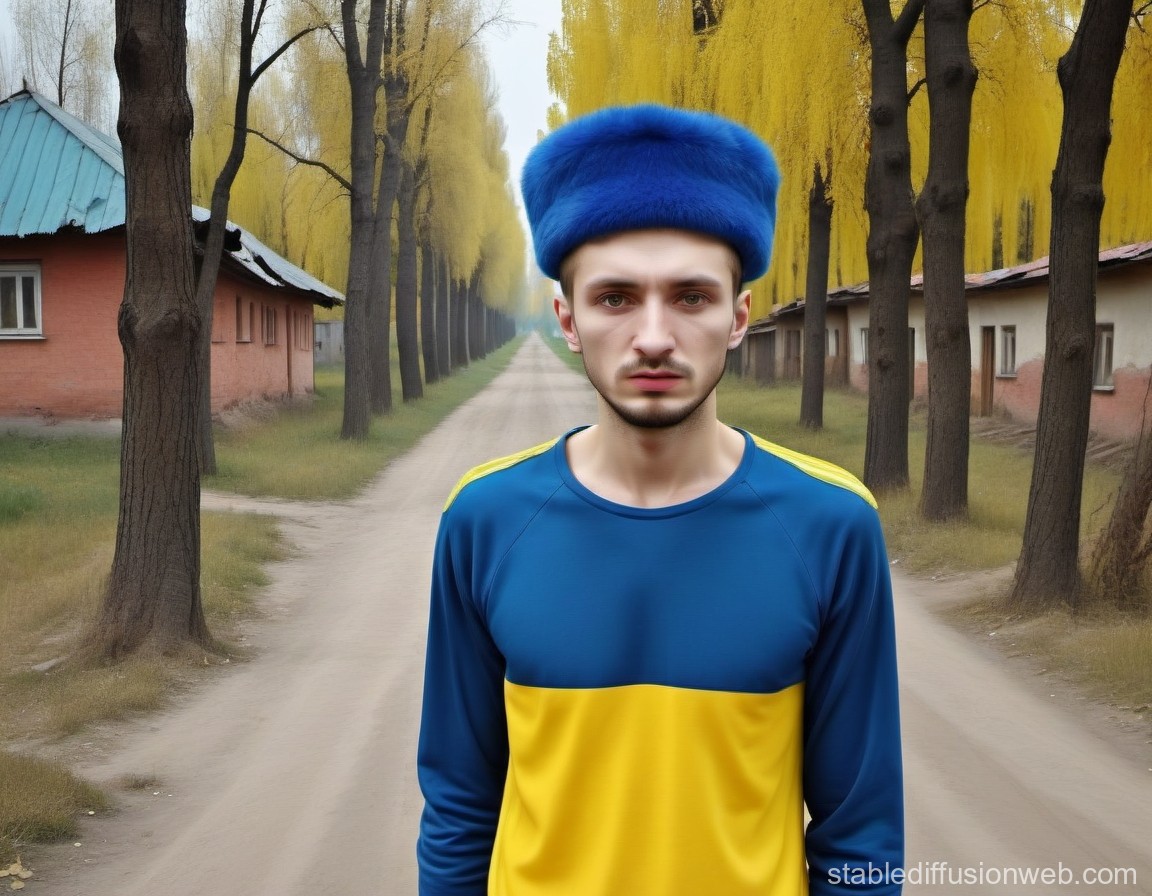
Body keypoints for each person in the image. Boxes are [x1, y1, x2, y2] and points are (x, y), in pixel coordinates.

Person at [416, 104, 903, 896]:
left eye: (690, 297)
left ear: (738, 317)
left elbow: (861, 833)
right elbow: (460, 805)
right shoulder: (484, 519)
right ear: (567, 320)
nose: (652, 336)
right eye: (615, 299)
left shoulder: (831, 525)